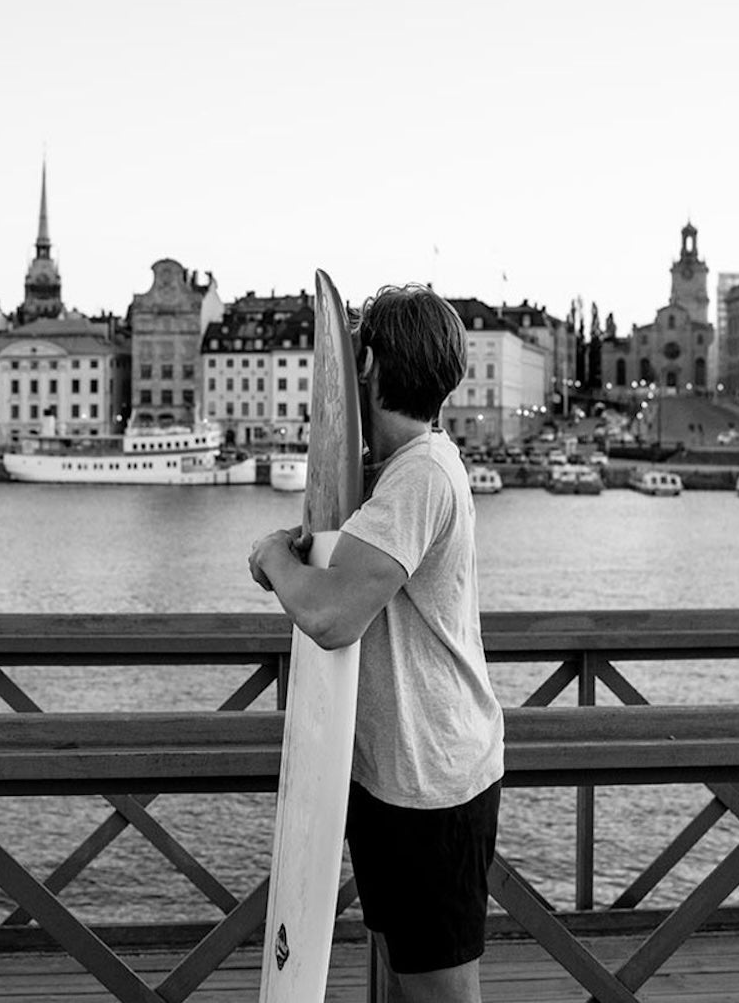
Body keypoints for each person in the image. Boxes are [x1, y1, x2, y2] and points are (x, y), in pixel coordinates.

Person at [248, 284, 504, 1003]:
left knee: (439, 994)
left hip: (429, 781)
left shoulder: (419, 474)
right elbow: (344, 575)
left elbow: (332, 616)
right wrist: (303, 558)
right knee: (401, 978)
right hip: (402, 772)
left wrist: (272, 557)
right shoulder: (401, 471)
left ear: (366, 364)